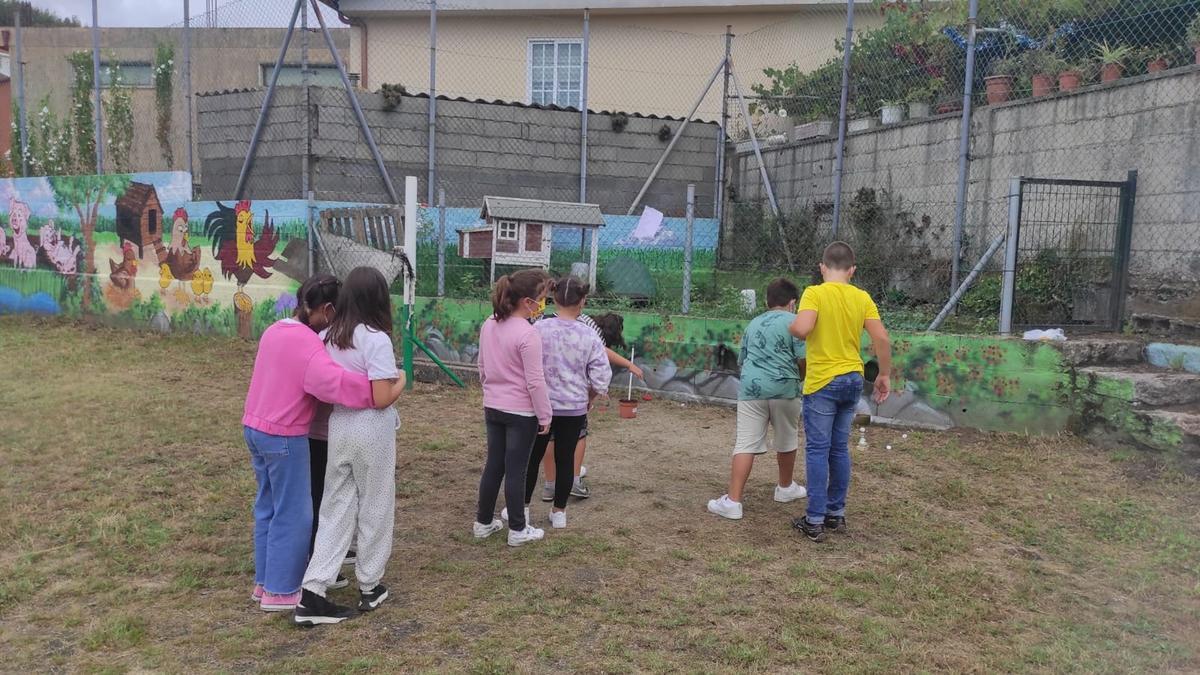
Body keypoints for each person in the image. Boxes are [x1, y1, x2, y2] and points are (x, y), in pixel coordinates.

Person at [242, 286, 399, 613]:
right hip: (285, 434)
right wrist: (383, 387)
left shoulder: (276, 329)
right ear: (327, 308)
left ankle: (265, 581)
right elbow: (333, 383)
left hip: (256, 426)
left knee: (268, 507)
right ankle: (283, 591)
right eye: (333, 311)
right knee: (295, 513)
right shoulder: (308, 343)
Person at [294, 267, 406, 626]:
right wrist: (402, 380)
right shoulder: (376, 338)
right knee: (375, 504)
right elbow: (380, 397)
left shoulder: (328, 334)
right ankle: (370, 585)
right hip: (371, 429)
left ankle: (313, 590)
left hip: (338, 425)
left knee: (335, 506)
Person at [788, 241, 892, 542]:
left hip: (822, 381)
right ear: (852, 270)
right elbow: (882, 339)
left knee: (818, 450)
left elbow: (803, 328)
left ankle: (815, 519)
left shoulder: (815, 293)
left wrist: (793, 328)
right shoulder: (862, 297)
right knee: (838, 449)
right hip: (853, 380)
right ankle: (835, 513)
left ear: (822, 268)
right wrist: (884, 374)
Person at [707, 278, 809, 520]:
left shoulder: (753, 323)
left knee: (745, 442)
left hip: (752, 389)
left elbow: (743, 360)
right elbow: (804, 359)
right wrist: (798, 378)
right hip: (785, 389)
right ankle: (785, 488)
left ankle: (733, 501)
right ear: (793, 303)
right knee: (787, 437)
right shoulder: (796, 323)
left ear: (767, 301)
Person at [473, 269, 553, 547]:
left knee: (494, 464)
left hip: (493, 406)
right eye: (542, 298)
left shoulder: (488, 324)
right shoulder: (529, 334)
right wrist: (545, 415)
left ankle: (483, 522)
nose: (544, 304)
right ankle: (518, 529)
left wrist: (492, 391)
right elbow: (535, 382)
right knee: (516, 469)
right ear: (527, 302)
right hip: (521, 413)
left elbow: (482, 366)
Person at [523, 277, 612, 529]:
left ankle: (524, 509)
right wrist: (590, 397)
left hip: (540, 407)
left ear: (553, 298)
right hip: (573, 408)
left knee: (532, 458)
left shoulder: (538, 328)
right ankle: (559, 512)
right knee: (566, 460)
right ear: (582, 301)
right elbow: (601, 376)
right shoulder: (590, 335)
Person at [539, 311, 642, 501]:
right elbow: (602, 354)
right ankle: (575, 482)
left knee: (550, 436)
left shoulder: (545, 323)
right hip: (571, 397)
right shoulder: (590, 329)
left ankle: (550, 485)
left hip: (548, 391)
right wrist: (629, 365)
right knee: (579, 434)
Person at [294, 275, 352, 594]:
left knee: (322, 496)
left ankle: (329, 553)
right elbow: (331, 387)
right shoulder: (319, 341)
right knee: (323, 499)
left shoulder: (305, 335)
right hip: (321, 432)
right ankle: (321, 563)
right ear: (328, 309)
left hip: (314, 431)